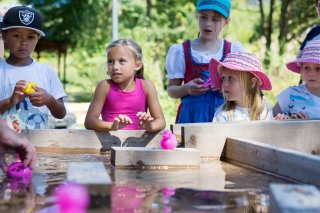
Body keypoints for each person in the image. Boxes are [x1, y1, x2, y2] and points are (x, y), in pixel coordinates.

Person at [165, 0, 244, 123]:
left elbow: (242, 87)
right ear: (197, 16)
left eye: (215, 19)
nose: (208, 23)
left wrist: (224, 87)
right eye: (203, 17)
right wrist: (186, 88)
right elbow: (171, 90)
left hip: (224, 116)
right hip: (191, 117)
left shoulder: (232, 51)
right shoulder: (181, 51)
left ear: (226, 22)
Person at [0, 6, 66, 129]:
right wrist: (10, 101)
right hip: (5, 146)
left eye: (30, 37)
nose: (24, 42)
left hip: (39, 145)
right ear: (4, 36)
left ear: (37, 39)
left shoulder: (47, 71)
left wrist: (49, 100)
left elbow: (61, 114)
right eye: (17, 36)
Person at [85, 39, 166, 132]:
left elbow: (161, 121)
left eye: (122, 61)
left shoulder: (147, 86)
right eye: (110, 61)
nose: (115, 67)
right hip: (109, 145)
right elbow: (89, 121)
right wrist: (112, 126)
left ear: (138, 65)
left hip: (139, 145)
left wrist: (151, 126)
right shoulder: (104, 86)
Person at [210, 52, 273, 122]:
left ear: (252, 83)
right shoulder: (222, 115)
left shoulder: (265, 108)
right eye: (223, 78)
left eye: (231, 78)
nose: (224, 84)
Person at [273, 40, 320, 120]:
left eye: (318, 68)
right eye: (307, 68)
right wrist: (284, 119)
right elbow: (269, 120)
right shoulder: (290, 94)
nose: (311, 73)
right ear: (301, 69)